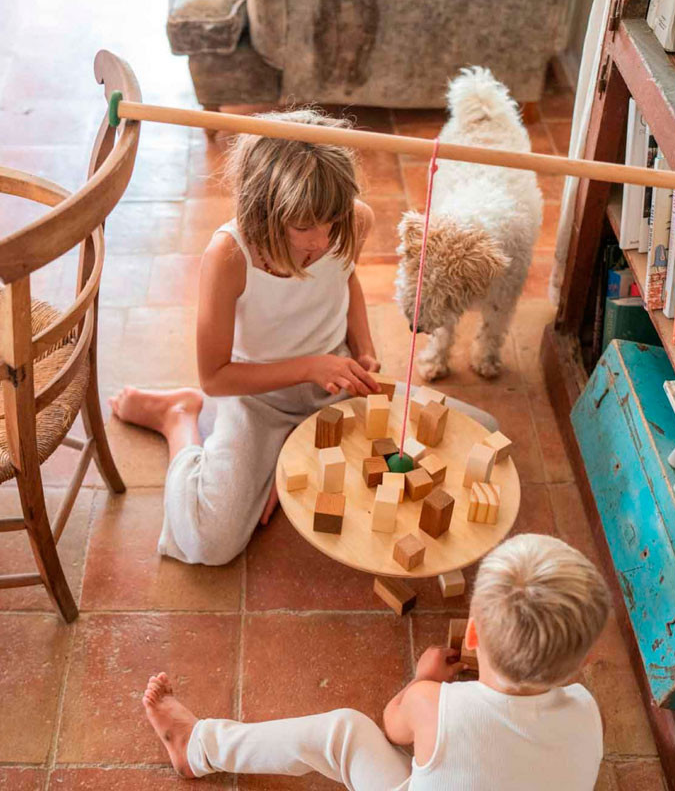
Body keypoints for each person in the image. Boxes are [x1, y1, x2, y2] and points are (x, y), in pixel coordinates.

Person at [110, 109, 495, 566]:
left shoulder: (352, 222)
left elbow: (345, 279)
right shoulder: (230, 254)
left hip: (335, 385)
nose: (322, 240)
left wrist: (364, 351)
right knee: (208, 543)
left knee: (481, 432)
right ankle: (178, 417)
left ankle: (295, 450)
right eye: (304, 226)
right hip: (256, 397)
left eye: (331, 222)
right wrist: (311, 366)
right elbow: (215, 378)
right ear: (264, 209)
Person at [142, 533, 611, 789]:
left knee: (345, 732)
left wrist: (421, 680)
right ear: (583, 660)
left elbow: (392, 726)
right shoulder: (587, 714)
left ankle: (197, 747)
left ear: (471, 633)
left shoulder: (434, 704)